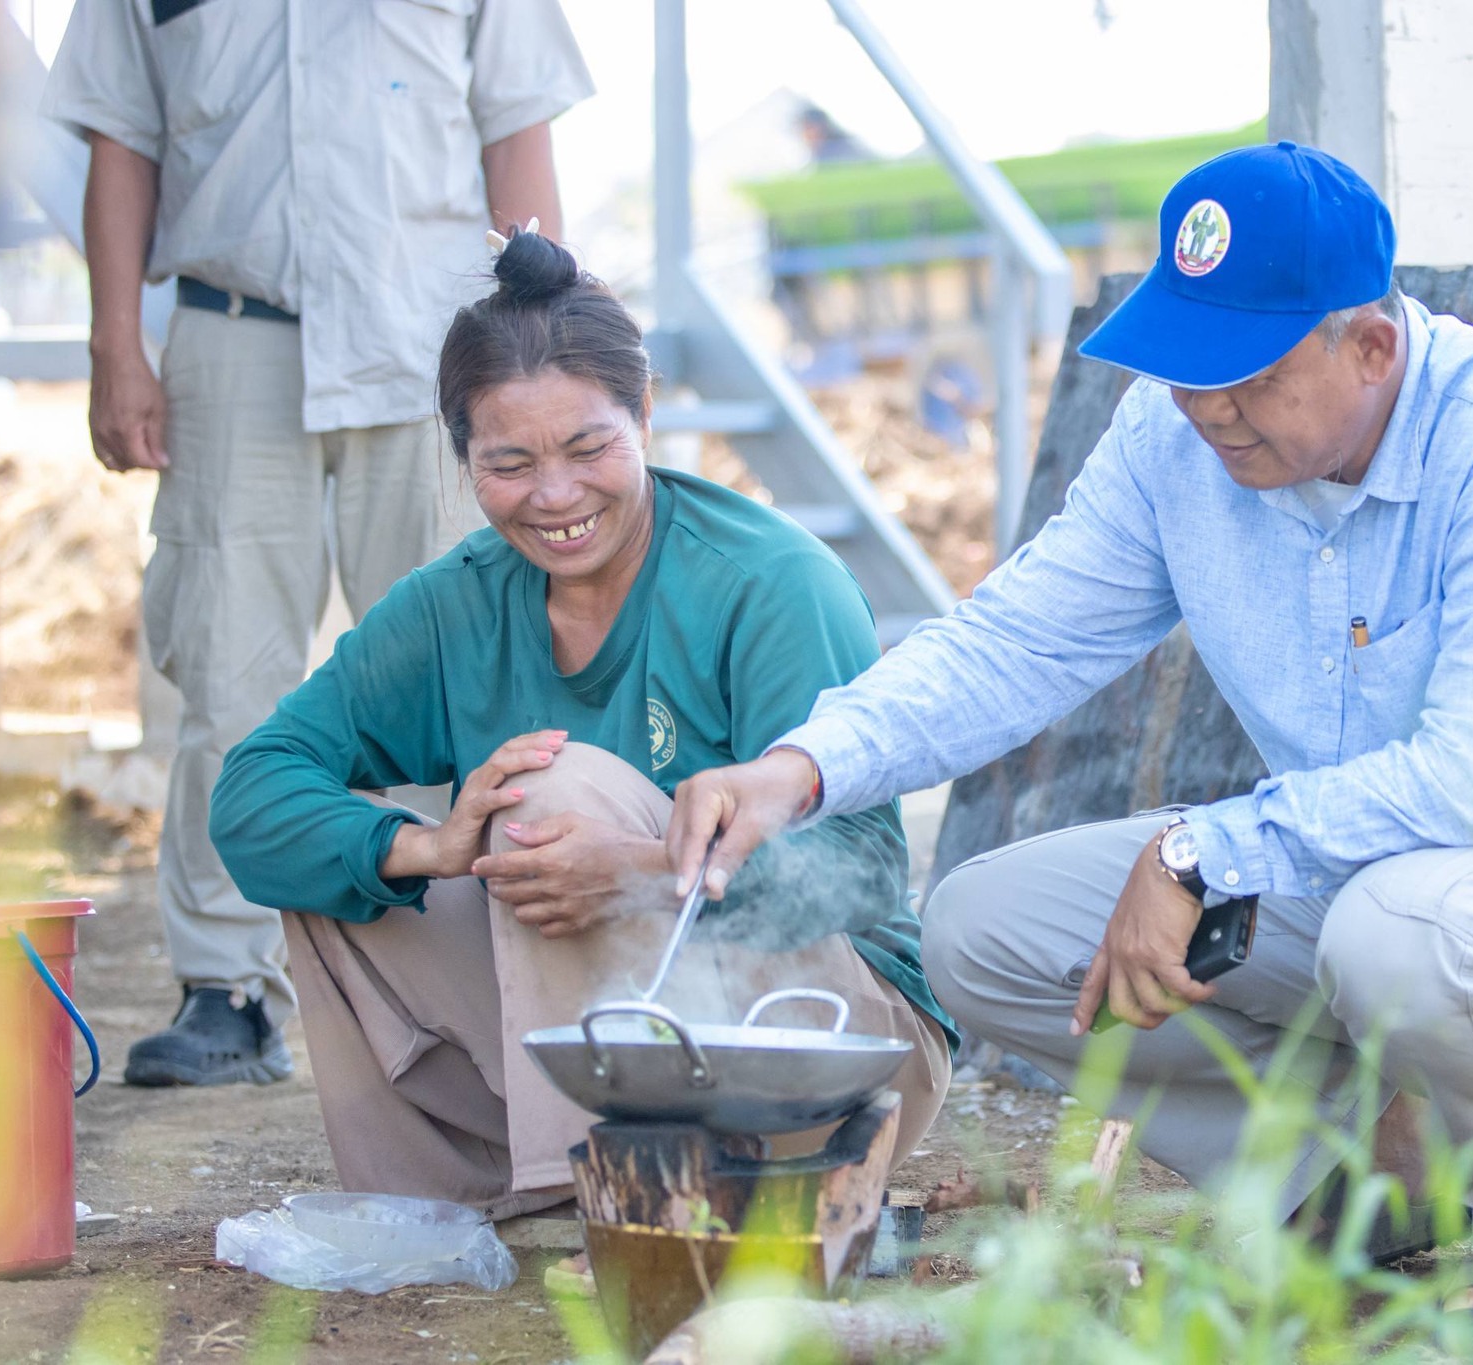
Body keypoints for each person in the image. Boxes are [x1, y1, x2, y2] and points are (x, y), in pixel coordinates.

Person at [667, 143, 1473, 1324]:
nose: (1205, 409)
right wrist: (799, 767)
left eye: (1243, 375)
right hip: (1360, 885)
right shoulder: (1172, 441)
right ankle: (1369, 1176)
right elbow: (1017, 640)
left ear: (1372, 348)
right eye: (1187, 368)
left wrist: (1201, 851)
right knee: (978, 934)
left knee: (1407, 933)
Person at [208, 230, 953, 1216]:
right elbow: (253, 796)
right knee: (337, 867)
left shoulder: (772, 584)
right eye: (509, 462)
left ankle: (618, 1215)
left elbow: (858, 875)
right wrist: (422, 845)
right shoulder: (454, 604)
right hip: (626, 1041)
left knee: (547, 791)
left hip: (828, 1045)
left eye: (588, 447)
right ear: (464, 458)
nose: (554, 496)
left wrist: (641, 873)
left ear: (643, 414)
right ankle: (451, 1220)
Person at [40, 0, 594, 1086]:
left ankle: (490, 969)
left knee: (469, 670)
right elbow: (123, 138)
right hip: (231, 338)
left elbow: (516, 126)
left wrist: (535, 345)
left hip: (430, 333)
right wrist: (116, 342)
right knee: (224, 665)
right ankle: (227, 991)